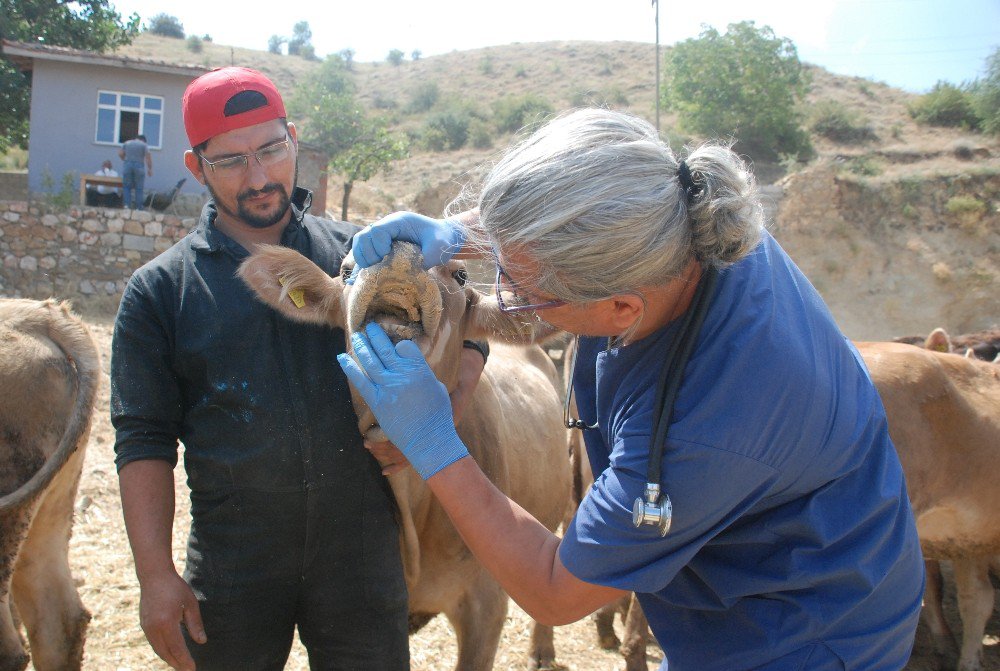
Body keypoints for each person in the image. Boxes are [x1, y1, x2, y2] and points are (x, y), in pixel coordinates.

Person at [340, 108, 925, 670]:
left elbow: (555, 591)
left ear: (621, 308)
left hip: (799, 636)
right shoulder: (679, 217)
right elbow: (578, 205)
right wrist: (458, 235)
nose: (507, 299)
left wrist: (432, 441)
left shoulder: (702, 431)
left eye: (525, 288)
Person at [110, 67, 487, 671]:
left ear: (292, 137)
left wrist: (455, 397)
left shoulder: (359, 258)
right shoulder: (161, 292)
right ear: (195, 164)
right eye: (231, 160)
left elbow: (461, 309)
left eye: (271, 150)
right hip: (235, 557)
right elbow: (143, 441)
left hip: (361, 550)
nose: (258, 178)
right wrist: (156, 578)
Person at [118, 133, 153, 209]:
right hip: (139, 165)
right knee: (139, 187)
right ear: (143, 140)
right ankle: (139, 207)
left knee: (127, 186)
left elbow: (120, 153)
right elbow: (148, 158)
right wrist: (149, 169)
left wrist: (125, 160)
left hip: (128, 164)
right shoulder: (144, 145)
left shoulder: (127, 143)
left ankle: (127, 205)